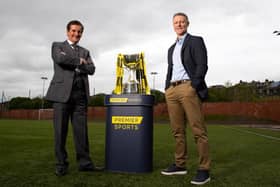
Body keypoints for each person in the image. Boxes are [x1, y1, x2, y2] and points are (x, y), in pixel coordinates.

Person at [46, 20, 102, 176]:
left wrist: (81, 64)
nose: (76, 34)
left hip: (80, 97)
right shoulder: (57, 46)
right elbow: (60, 59)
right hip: (61, 96)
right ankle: (61, 164)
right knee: (60, 132)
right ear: (67, 31)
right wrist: (78, 62)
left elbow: (91, 69)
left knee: (81, 133)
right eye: (73, 31)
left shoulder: (85, 51)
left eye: (79, 32)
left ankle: (85, 163)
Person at [161, 12, 211, 185]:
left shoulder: (196, 41)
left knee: (198, 130)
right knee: (177, 131)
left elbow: (202, 64)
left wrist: (193, 86)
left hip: (188, 87)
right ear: (173, 25)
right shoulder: (171, 48)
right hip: (172, 91)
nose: (179, 24)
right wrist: (166, 88)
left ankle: (204, 169)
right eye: (176, 22)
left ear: (187, 23)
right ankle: (180, 164)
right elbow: (171, 68)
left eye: (182, 22)